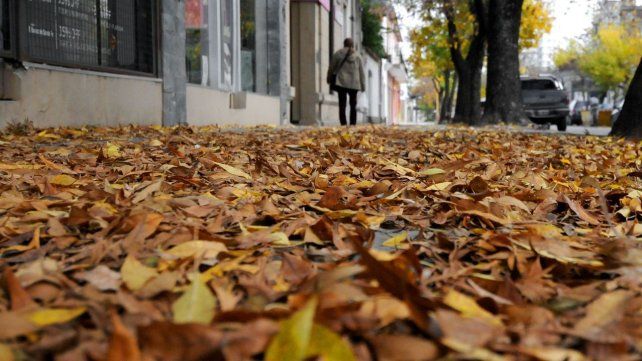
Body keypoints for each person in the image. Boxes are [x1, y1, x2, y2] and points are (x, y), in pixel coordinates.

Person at [327, 38, 366, 126]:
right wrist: (363, 85)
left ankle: (343, 124)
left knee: (342, 104)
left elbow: (331, 68)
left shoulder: (338, 54)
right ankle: (352, 124)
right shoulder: (358, 56)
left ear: (344, 44)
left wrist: (329, 79)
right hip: (354, 84)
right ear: (352, 45)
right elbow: (361, 72)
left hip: (341, 82)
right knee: (353, 105)